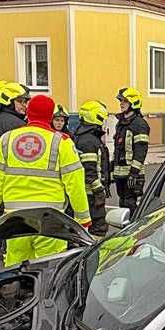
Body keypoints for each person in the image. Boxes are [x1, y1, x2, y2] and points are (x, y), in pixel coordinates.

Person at [0, 94, 90, 265]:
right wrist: (83, 219)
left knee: (15, 269)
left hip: (15, 219)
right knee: (49, 269)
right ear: (50, 116)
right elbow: (75, 184)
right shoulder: (61, 142)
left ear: (28, 113)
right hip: (50, 219)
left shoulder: (7, 139)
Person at [74, 100, 112, 237]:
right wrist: (98, 191)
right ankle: (96, 249)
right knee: (99, 226)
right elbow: (89, 171)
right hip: (91, 194)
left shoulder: (81, 137)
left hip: (84, 193)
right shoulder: (89, 141)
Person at [112, 87, 150, 218]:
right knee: (123, 205)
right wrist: (112, 171)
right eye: (121, 101)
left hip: (133, 175)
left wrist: (133, 174)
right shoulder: (121, 123)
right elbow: (117, 150)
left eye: (125, 101)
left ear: (133, 103)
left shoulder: (139, 124)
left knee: (132, 206)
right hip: (120, 175)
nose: (121, 104)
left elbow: (141, 151)